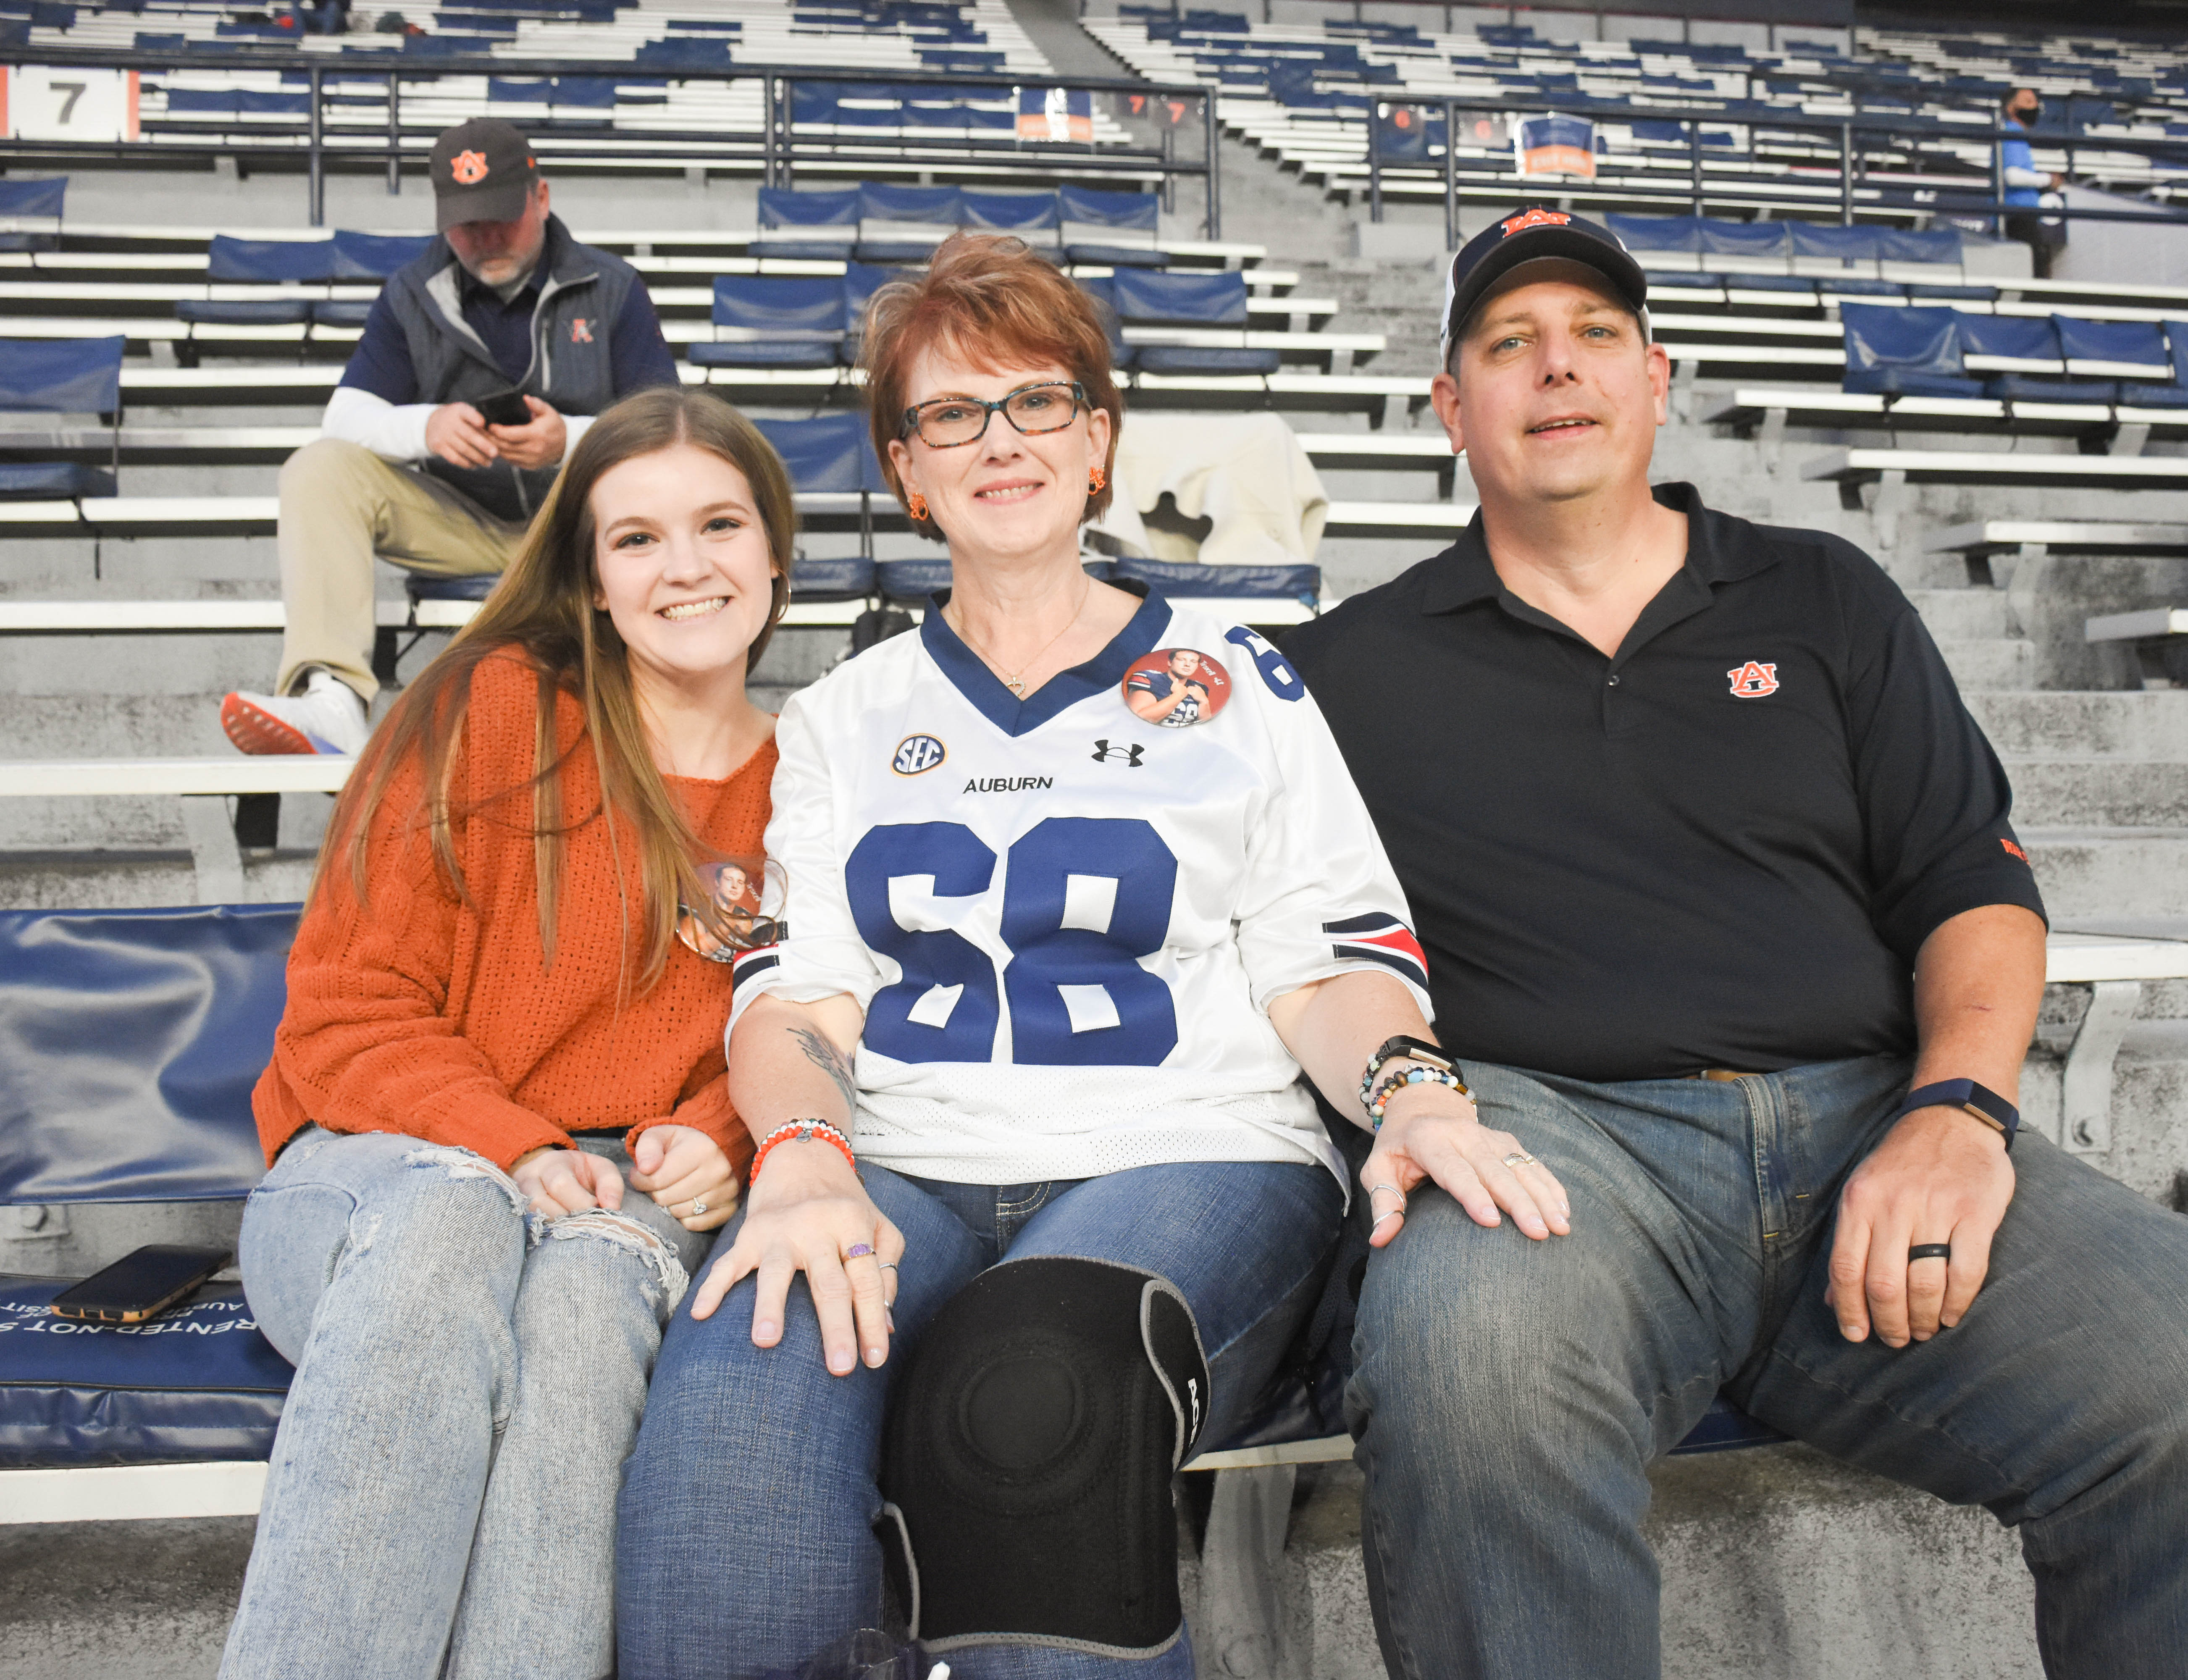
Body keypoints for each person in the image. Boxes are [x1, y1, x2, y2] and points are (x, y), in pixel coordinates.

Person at [614, 233, 1566, 1680]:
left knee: (1038, 1385)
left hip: (1188, 1158)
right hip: (906, 1163)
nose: (998, 441)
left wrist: (1412, 1093)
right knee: (727, 1419)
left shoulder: (1237, 678)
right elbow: (795, 996)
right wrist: (801, 1155)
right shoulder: (841, 719)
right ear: (903, 471)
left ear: (1097, 439)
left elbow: (1324, 962)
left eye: (1037, 401)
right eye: (950, 414)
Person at [1280, 205, 2188, 1678]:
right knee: (1469, 1370)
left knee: (2171, 1368)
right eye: (1506, 345)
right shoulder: (1339, 671)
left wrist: (1959, 1107)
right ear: (1450, 407)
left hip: (1866, 1118)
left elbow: (1968, 883)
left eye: (1591, 337)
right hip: (1558, 1152)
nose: (1554, 370)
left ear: (1657, 376)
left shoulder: (1819, 593)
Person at [218, 387, 791, 1678]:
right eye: (636, 539)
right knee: (452, 1216)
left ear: (774, 556)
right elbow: (345, 1009)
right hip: (383, 1167)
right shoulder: (485, 707)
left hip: (627, 1193)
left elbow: (814, 1025)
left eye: (718, 524)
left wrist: (723, 1139)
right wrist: (512, 1144)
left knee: (591, 1294)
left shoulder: (815, 780)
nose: (685, 566)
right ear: (590, 580)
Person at [220, 116, 680, 759]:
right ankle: (333, 701)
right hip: (463, 525)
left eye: (500, 216)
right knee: (318, 468)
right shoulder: (412, 292)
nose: (486, 237)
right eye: (467, 222)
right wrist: (426, 427)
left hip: (582, 535)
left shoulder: (612, 288)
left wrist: (569, 442)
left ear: (540, 198)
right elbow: (344, 417)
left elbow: (671, 430)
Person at [1999, 88, 2066, 280]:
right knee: (2034, 272)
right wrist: (2048, 180)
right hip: (2017, 216)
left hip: (2022, 214)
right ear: (2012, 108)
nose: (2035, 107)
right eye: (2029, 102)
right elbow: (2012, 176)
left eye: (2036, 103)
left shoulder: (2016, 135)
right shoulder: (2011, 134)